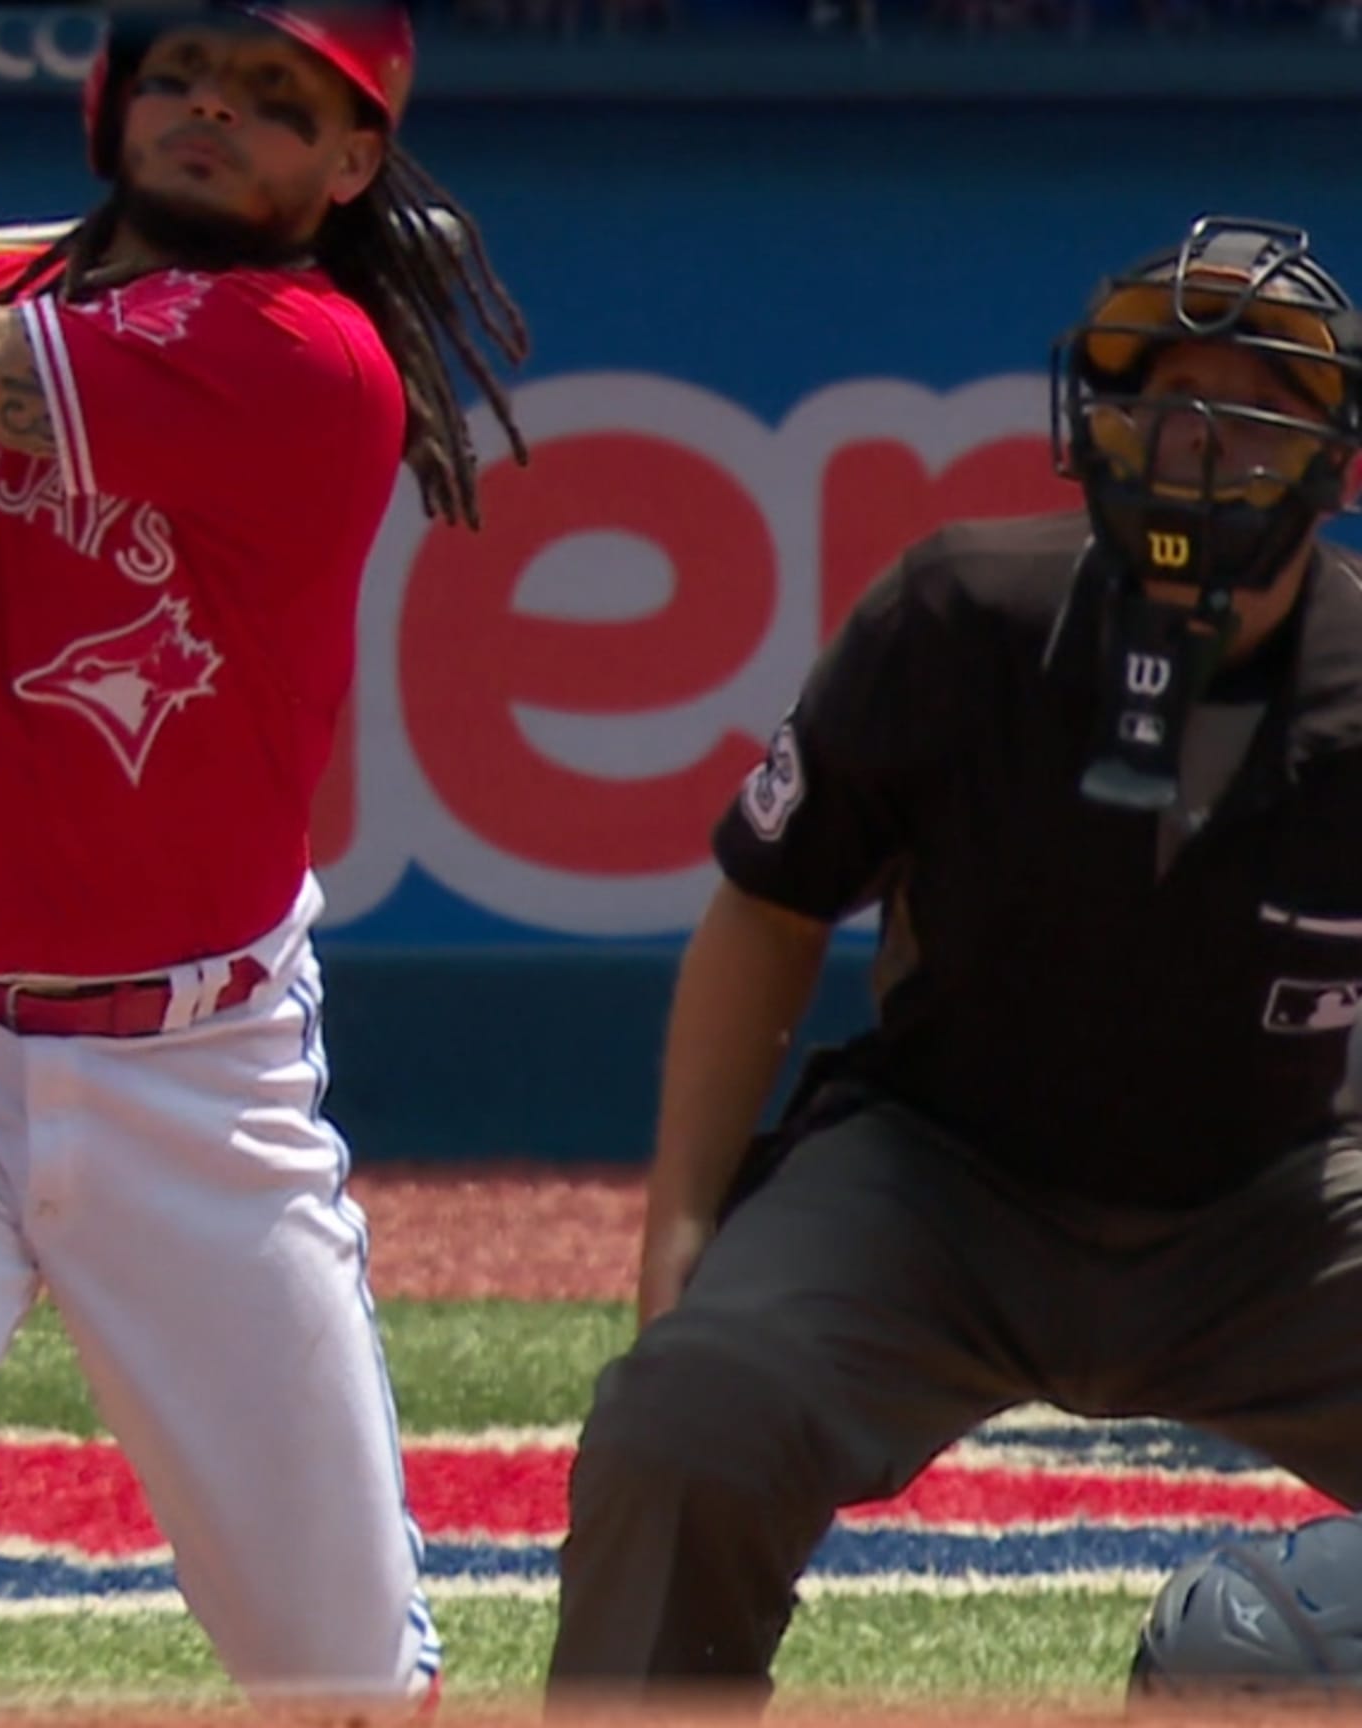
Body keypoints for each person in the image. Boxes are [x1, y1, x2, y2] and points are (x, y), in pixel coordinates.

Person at [0, 1, 529, 1710]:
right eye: (187, 71)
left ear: (352, 167)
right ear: (107, 98)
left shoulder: (301, 357)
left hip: (192, 1072)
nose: (215, 109)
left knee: (337, 1677)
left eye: (280, 100)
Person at [545, 216, 1362, 1714]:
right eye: (1161, 404)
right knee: (687, 1414)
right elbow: (770, 905)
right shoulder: (962, 610)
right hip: (943, 1183)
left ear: (1334, 462)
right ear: (1095, 422)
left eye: (1250, 419)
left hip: (1275, 1201)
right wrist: (680, 1236)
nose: (1192, 450)